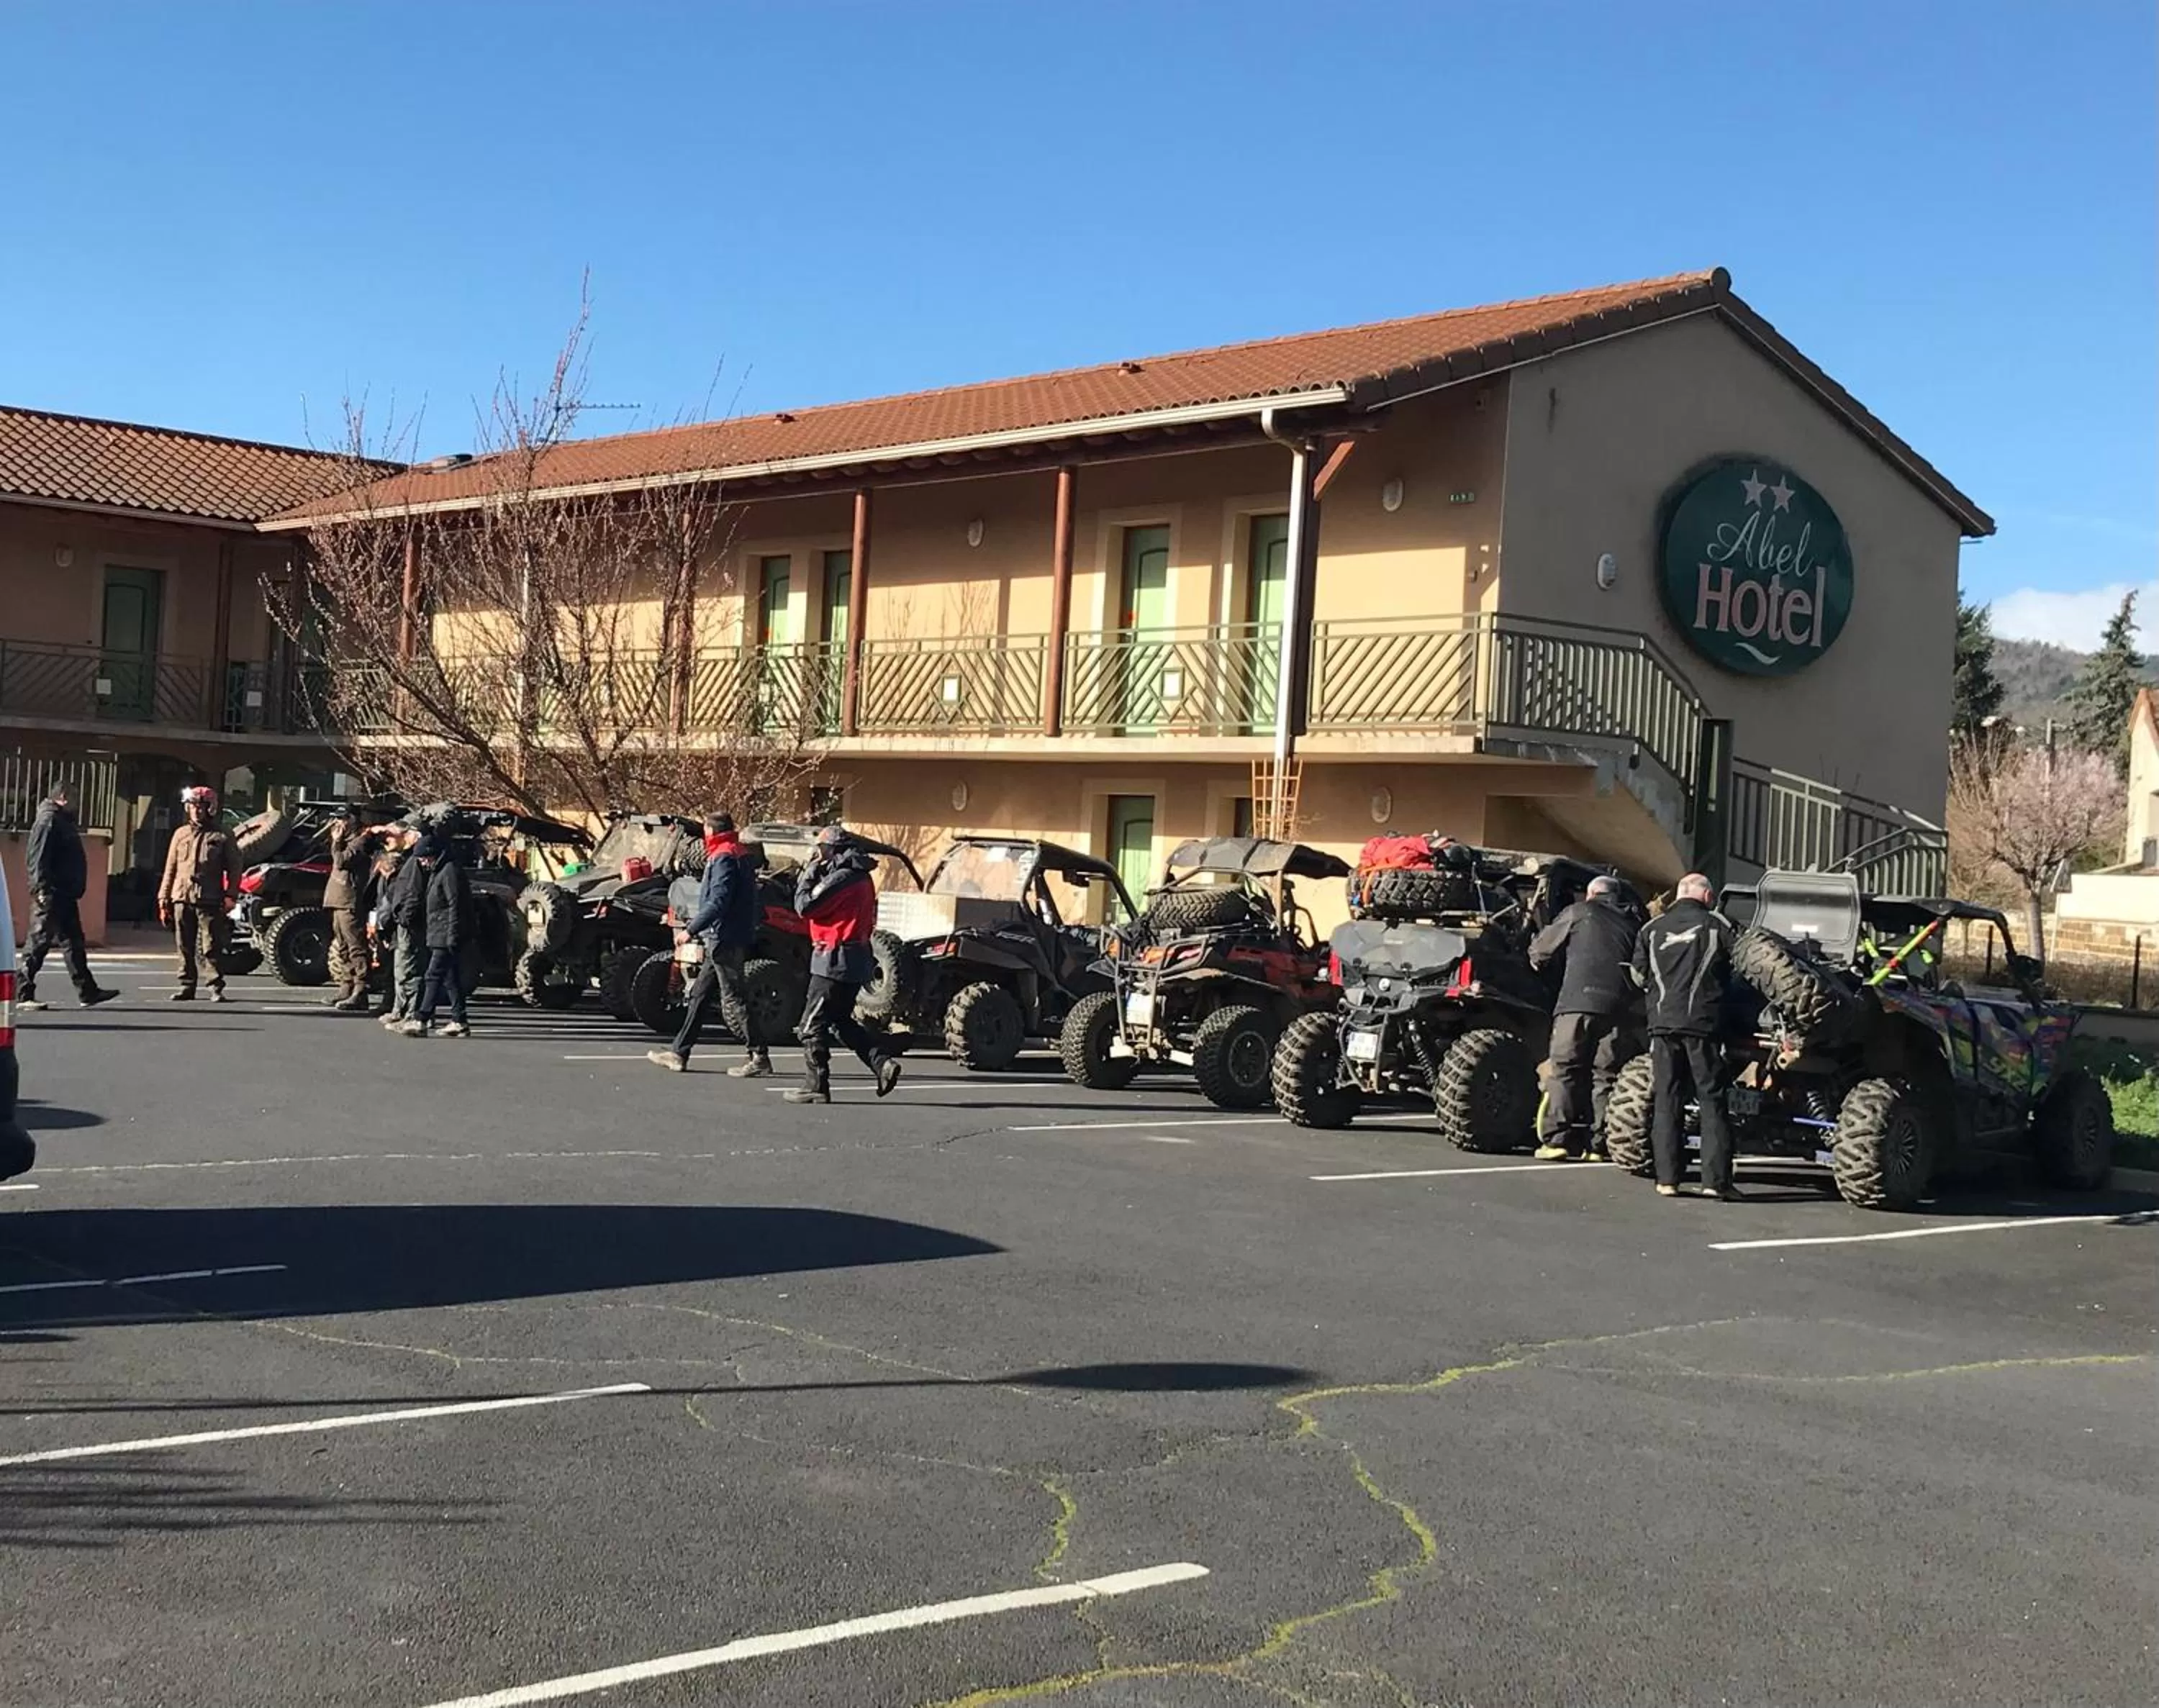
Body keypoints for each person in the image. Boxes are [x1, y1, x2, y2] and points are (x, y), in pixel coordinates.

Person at [1630, 872, 1740, 1199]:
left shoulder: (1651, 929)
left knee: (1667, 1097)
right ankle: (1715, 1183)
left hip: (1661, 1024)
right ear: (1707, 896)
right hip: (1703, 1025)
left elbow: (1637, 976)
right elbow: (1741, 965)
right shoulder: (1718, 924)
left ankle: (1667, 1180)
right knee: (1711, 1099)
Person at [1528, 873, 1643, 1161]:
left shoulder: (1581, 912)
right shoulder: (1634, 922)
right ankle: (1599, 1145)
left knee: (1565, 1069)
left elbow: (1541, 950)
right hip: (1620, 1010)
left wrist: (1539, 963)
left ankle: (1557, 1140)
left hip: (1577, 1003)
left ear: (1592, 894)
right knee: (1606, 1075)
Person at [787, 825, 902, 1104]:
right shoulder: (861, 877)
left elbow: (804, 906)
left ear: (833, 852)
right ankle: (881, 1063)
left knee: (810, 1025)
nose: (819, 855)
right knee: (839, 1021)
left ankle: (816, 1084)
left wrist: (809, 873)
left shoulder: (842, 878)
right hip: (854, 958)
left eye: (822, 850)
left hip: (833, 959)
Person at [648, 813, 769, 1076]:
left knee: (734, 997)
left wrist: (690, 930)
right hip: (728, 935)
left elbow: (718, 901)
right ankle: (679, 1052)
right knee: (699, 996)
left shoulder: (724, 856)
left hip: (724, 937)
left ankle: (759, 1055)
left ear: (711, 831)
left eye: (705, 830)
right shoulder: (740, 853)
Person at [17, 783, 117, 1012]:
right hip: (52, 893)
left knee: (74, 942)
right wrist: (41, 889)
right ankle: (22, 992)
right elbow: (37, 859)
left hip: (65, 894)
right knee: (39, 942)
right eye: (74, 797)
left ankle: (88, 991)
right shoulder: (49, 821)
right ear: (63, 797)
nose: (78, 803)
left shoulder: (62, 821)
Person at [156, 785, 245, 1002]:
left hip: (210, 897)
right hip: (182, 897)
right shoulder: (180, 834)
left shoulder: (222, 835)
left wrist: (231, 895)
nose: (196, 811)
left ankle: (215, 986)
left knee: (211, 944)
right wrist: (163, 898)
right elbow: (170, 868)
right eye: (192, 806)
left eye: (201, 807)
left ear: (210, 808)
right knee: (183, 944)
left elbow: (235, 867)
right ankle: (187, 985)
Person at [401, 835, 472, 1038]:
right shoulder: (438, 871)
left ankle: (422, 1018)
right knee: (450, 977)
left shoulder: (449, 871)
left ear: (433, 854)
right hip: (439, 931)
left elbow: (455, 905)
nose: (422, 862)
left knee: (433, 976)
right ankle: (459, 1020)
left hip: (446, 933)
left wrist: (452, 935)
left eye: (424, 858)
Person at [320, 815, 380, 1013]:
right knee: (343, 946)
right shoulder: (347, 842)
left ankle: (361, 990)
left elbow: (340, 861)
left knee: (356, 946)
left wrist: (337, 841)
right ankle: (346, 985)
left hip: (350, 902)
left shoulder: (360, 842)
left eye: (341, 821)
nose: (337, 825)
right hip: (338, 901)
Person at [380, 827, 428, 1027]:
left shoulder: (414, 864)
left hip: (409, 925)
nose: (400, 837)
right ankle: (399, 1010)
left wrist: (404, 918)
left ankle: (411, 1014)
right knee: (400, 970)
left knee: (409, 970)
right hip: (400, 923)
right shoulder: (410, 861)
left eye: (406, 833)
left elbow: (413, 895)